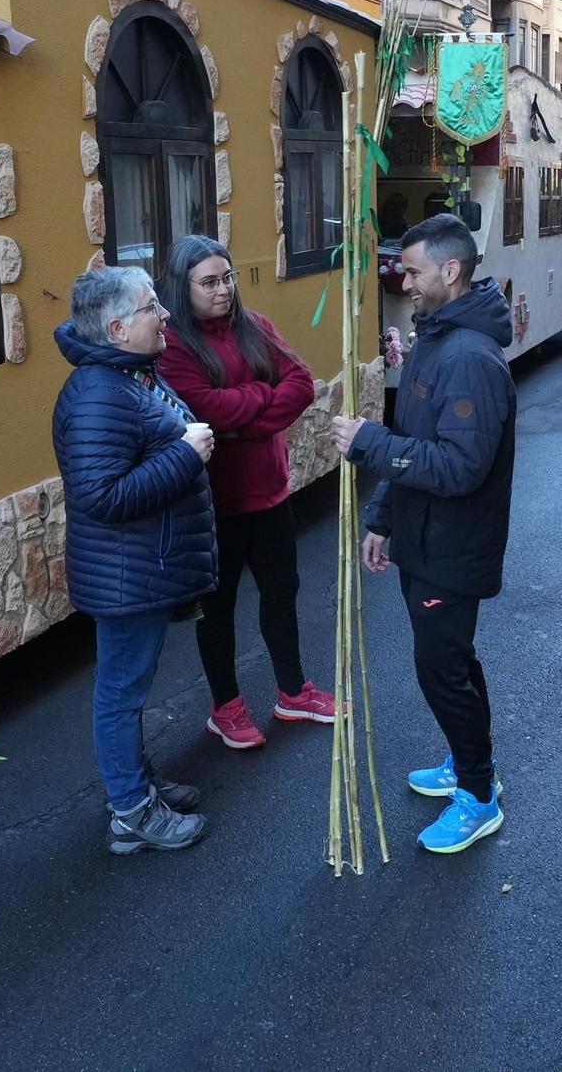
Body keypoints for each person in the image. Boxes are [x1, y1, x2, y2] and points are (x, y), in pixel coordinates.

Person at [331, 215, 516, 855]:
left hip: (452, 546)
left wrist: (370, 445)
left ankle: (478, 796)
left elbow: (460, 467)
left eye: (410, 271)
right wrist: (383, 515)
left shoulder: (468, 357)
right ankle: (474, 769)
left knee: (442, 671)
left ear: (450, 271)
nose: (401, 281)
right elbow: (421, 440)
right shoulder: (436, 337)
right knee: (453, 664)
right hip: (424, 534)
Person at [52, 266, 216, 855]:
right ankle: (130, 810)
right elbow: (103, 497)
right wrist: (186, 456)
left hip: (141, 570)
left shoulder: (128, 375)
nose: (166, 314)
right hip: (126, 577)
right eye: (153, 307)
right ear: (119, 327)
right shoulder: (100, 393)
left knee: (128, 686)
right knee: (120, 691)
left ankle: (137, 787)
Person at [156, 235, 335, 752]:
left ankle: (293, 691)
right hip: (215, 502)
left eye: (227, 278)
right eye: (209, 282)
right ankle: (225, 706)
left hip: (271, 492)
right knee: (219, 608)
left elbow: (301, 383)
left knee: (282, 593)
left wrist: (245, 419)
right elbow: (203, 408)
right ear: (181, 287)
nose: (223, 291)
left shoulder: (255, 327)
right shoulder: (176, 347)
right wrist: (260, 397)